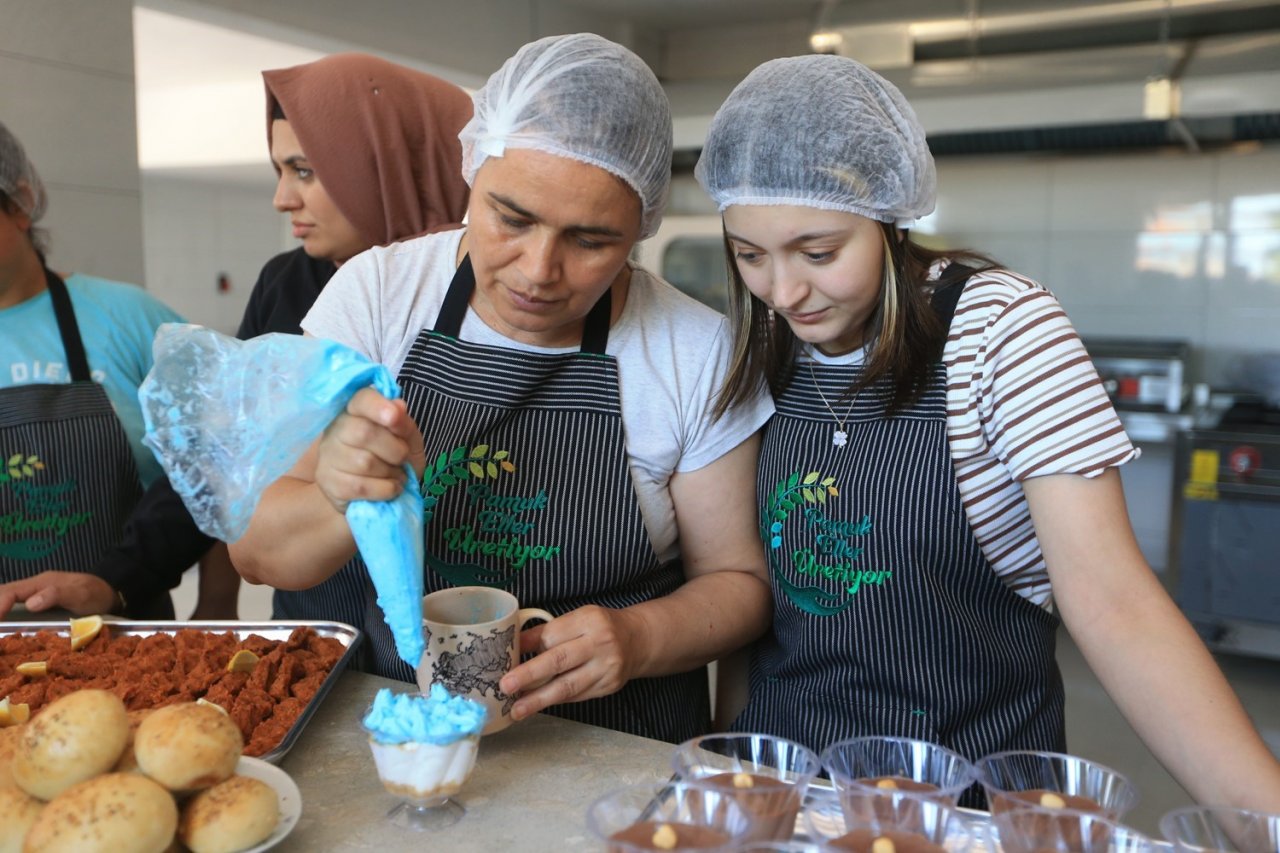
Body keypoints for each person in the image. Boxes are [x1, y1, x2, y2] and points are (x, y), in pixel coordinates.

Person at [695, 54, 1280, 811]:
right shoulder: (769, 339)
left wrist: (1263, 819)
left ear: (891, 218)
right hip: (787, 789)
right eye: (749, 256)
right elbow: (757, 612)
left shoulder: (1001, 330)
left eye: (819, 252)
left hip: (964, 802)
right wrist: (727, 769)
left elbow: (1115, 603)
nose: (783, 291)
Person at [229, 33, 773, 743]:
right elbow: (256, 551)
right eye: (512, 218)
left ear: (642, 225)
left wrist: (641, 636)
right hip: (411, 734)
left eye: (591, 241)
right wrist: (338, 493)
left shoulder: (693, 351)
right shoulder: (379, 296)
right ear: (471, 172)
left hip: (618, 744)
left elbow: (739, 582)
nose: (539, 270)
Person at [0, 55, 473, 624]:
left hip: (459, 618)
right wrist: (117, 581)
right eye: (280, 171)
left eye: (305, 171)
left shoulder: (491, 298)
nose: (282, 199)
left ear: (392, 169)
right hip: (319, 629)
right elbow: (219, 464)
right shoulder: (288, 284)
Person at [0, 120, 183, 616]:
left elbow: (221, 467)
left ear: (20, 204)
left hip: (131, 633)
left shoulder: (130, 319)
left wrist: (218, 601)